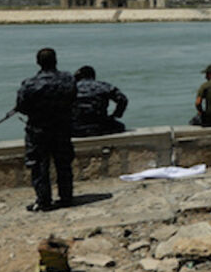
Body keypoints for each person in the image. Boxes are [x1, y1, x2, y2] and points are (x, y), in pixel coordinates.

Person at [16, 48, 77, 212]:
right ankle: (66, 196)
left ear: (38, 62)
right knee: (63, 163)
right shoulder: (68, 79)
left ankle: (44, 200)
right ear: (56, 60)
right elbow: (72, 99)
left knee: (38, 166)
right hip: (62, 127)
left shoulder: (29, 84)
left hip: (38, 129)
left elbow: (22, 107)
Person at [72, 65, 129, 137]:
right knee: (120, 126)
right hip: (100, 126)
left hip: (76, 128)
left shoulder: (71, 88)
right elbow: (122, 99)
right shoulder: (103, 86)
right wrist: (115, 115)